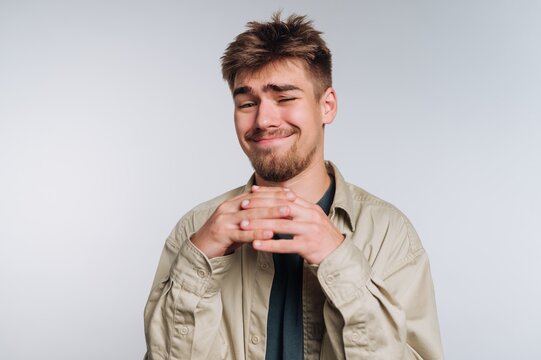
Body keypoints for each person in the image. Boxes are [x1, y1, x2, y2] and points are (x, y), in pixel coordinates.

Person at [143, 13, 443, 360]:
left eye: (284, 98)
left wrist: (338, 261)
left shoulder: (390, 234)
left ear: (326, 106)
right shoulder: (195, 230)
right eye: (247, 103)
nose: (264, 120)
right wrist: (199, 261)